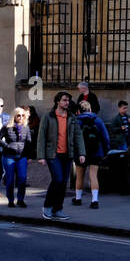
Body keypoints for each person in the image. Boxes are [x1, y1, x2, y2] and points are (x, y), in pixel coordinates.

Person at [37, 90, 85, 221]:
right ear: (57, 101)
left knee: (63, 182)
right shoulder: (48, 116)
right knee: (57, 179)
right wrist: (41, 156)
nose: (67, 102)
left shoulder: (71, 117)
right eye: (64, 100)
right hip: (53, 154)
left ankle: (58, 209)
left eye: (68, 100)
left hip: (67, 154)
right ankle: (47, 207)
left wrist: (81, 153)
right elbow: (41, 137)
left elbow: (78, 136)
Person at [72, 99, 110, 208]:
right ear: (90, 109)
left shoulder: (77, 121)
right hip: (96, 151)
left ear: (78, 111)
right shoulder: (98, 120)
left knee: (79, 176)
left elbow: (72, 138)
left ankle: (78, 198)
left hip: (81, 153)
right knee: (93, 175)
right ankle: (94, 200)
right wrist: (106, 150)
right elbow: (105, 137)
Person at [0, 107, 32, 208]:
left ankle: (20, 200)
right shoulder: (7, 126)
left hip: (22, 156)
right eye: (18, 115)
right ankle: (10, 200)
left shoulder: (26, 127)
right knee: (10, 180)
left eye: (22, 115)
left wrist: (29, 156)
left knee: (22, 179)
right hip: (9, 156)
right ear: (14, 116)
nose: (21, 117)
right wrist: (7, 146)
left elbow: (29, 143)